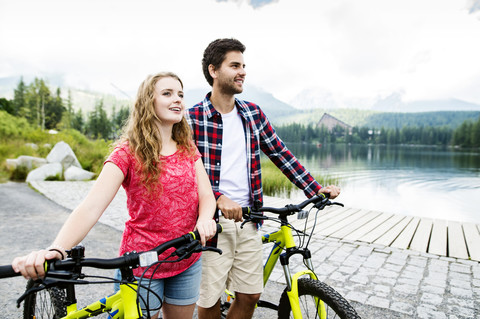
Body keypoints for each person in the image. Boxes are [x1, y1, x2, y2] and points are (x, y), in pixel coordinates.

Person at [12, 72, 218, 319]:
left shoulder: (186, 147)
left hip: (186, 258)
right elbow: (91, 207)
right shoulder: (127, 152)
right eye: (167, 93)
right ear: (147, 101)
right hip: (141, 264)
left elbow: (206, 195)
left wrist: (205, 219)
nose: (178, 100)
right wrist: (57, 249)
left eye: (180, 94)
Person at [187, 38, 341, 319]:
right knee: (208, 298)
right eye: (234, 65)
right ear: (213, 70)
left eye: (244, 65)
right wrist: (218, 198)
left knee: (250, 295)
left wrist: (316, 189)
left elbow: (282, 155)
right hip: (212, 223)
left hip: (249, 219)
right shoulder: (193, 118)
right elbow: (186, 173)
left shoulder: (253, 114)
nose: (242, 71)